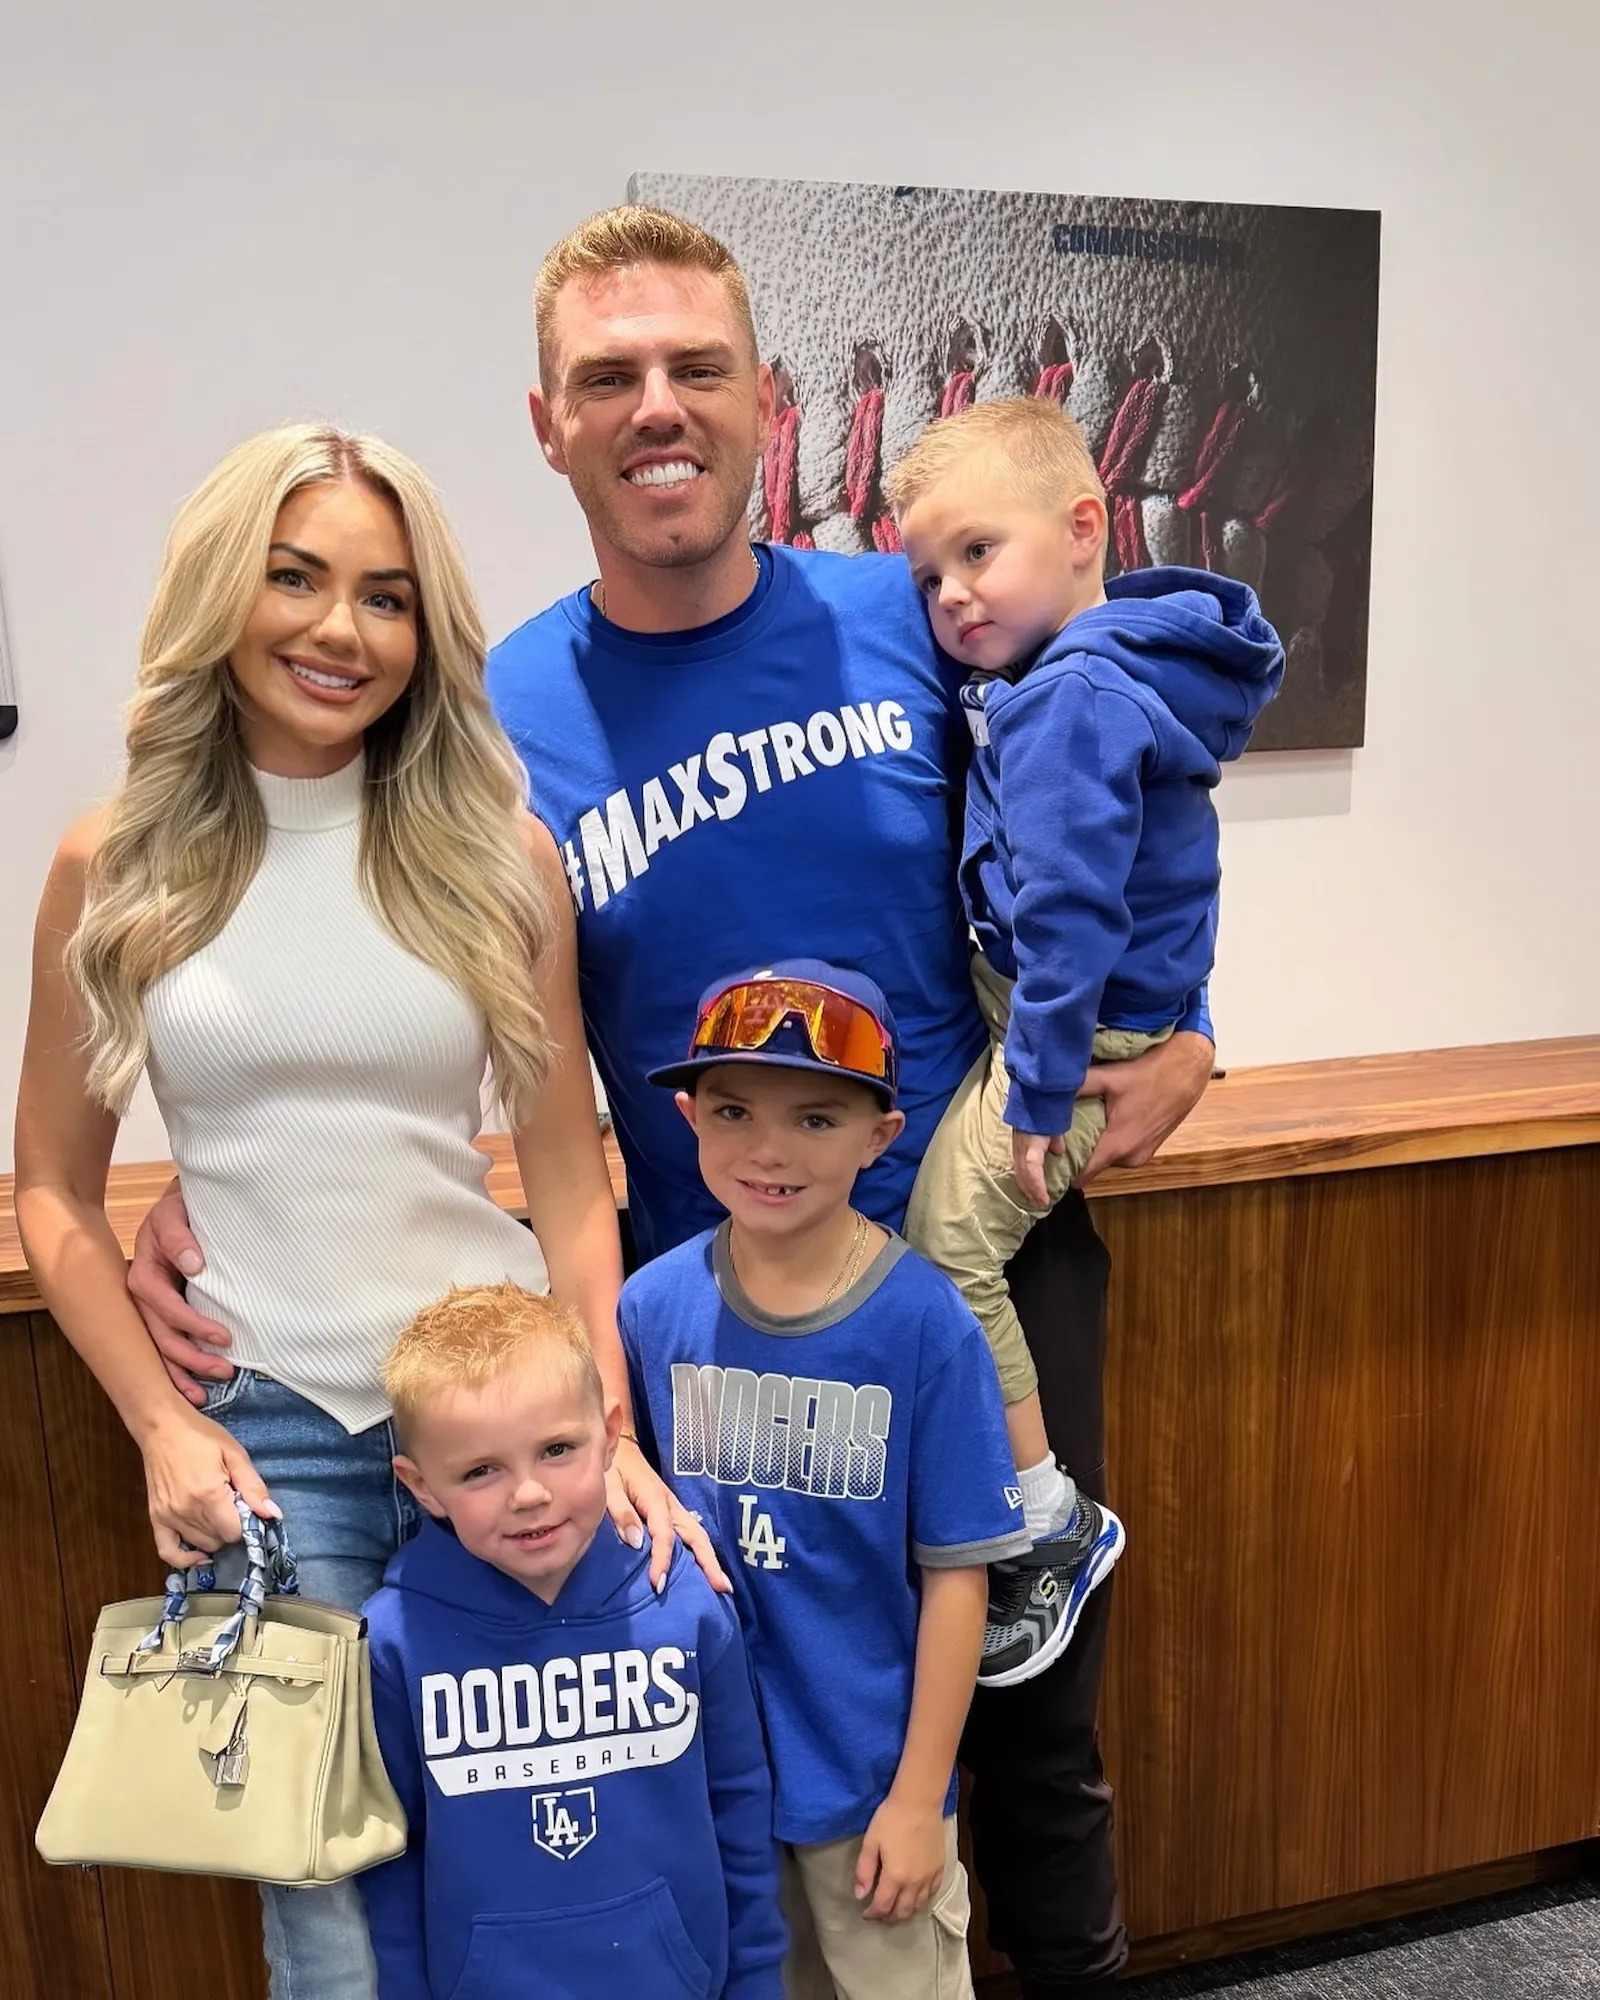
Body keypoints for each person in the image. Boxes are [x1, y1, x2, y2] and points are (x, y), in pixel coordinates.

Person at [129, 210, 1218, 1999]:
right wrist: (215, 1181)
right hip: (675, 1312)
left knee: (1023, 1727)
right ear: (547, 421)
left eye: (696, 367)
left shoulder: (912, 616)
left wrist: (1187, 1038)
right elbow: (357, 949)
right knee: (729, 1740)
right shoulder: (484, 717)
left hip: (964, 1272)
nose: (659, 407)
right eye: (609, 376)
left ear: (766, 402)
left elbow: (1125, 820)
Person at [12, 423, 713, 2000]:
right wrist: (159, 1429)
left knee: (540, 1845)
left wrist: (604, 1423)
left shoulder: (496, 857)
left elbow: (562, 1173)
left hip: (491, 1421)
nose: (341, 630)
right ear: (222, 595)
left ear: (426, 634)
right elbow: (48, 1185)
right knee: (321, 1900)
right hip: (263, 1444)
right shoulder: (110, 862)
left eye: (387, 598)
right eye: (297, 579)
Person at [892, 398, 1284, 1688]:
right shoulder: (1117, 665)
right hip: (1109, 1010)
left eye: (977, 555)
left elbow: (1068, 917)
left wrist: (1042, 1088)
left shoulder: (1064, 699)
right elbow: (1179, 874)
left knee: (951, 1243)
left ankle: (1046, 1518)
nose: (950, 596)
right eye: (928, 573)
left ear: (1080, 528)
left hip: (1064, 1032)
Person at [624, 960, 1028, 1998]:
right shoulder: (649, 1309)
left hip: (869, 1790)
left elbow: (958, 1578)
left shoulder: (924, 1326)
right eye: (731, 1109)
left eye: (815, 1117)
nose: (767, 1148)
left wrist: (918, 1794)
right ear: (686, 1114)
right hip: (717, 1784)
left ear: (879, 1135)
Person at [358, 1281, 786, 2000]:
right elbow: (390, 1855)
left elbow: (739, 1804)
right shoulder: (396, 1642)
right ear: (422, 1486)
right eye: (480, 1470)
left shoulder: (682, 1605)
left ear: (611, 1435)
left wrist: (756, 1979)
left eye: (556, 1449)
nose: (528, 1493)